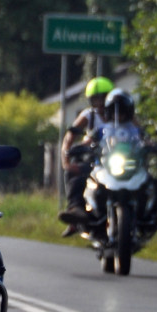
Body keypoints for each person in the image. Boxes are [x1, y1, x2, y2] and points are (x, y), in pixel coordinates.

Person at [60, 87, 157, 227]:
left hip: (132, 167)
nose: (118, 115)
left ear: (129, 111)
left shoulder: (136, 130)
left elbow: (146, 140)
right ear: (108, 112)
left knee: (154, 183)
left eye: (122, 111)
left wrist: (156, 146)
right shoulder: (102, 130)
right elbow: (89, 141)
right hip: (104, 166)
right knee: (78, 181)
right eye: (114, 111)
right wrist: (79, 148)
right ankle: (77, 210)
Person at [58, 76, 113, 234]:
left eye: (104, 97)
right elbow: (69, 136)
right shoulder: (89, 115)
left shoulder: (120, 114)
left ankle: (150, 213)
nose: (101, 102)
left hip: (118, 160)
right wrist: (66, 161)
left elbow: (137, 130)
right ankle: (76, 211)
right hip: (95, 160)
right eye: (96, 99)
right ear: (91, 101)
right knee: (76, 175)